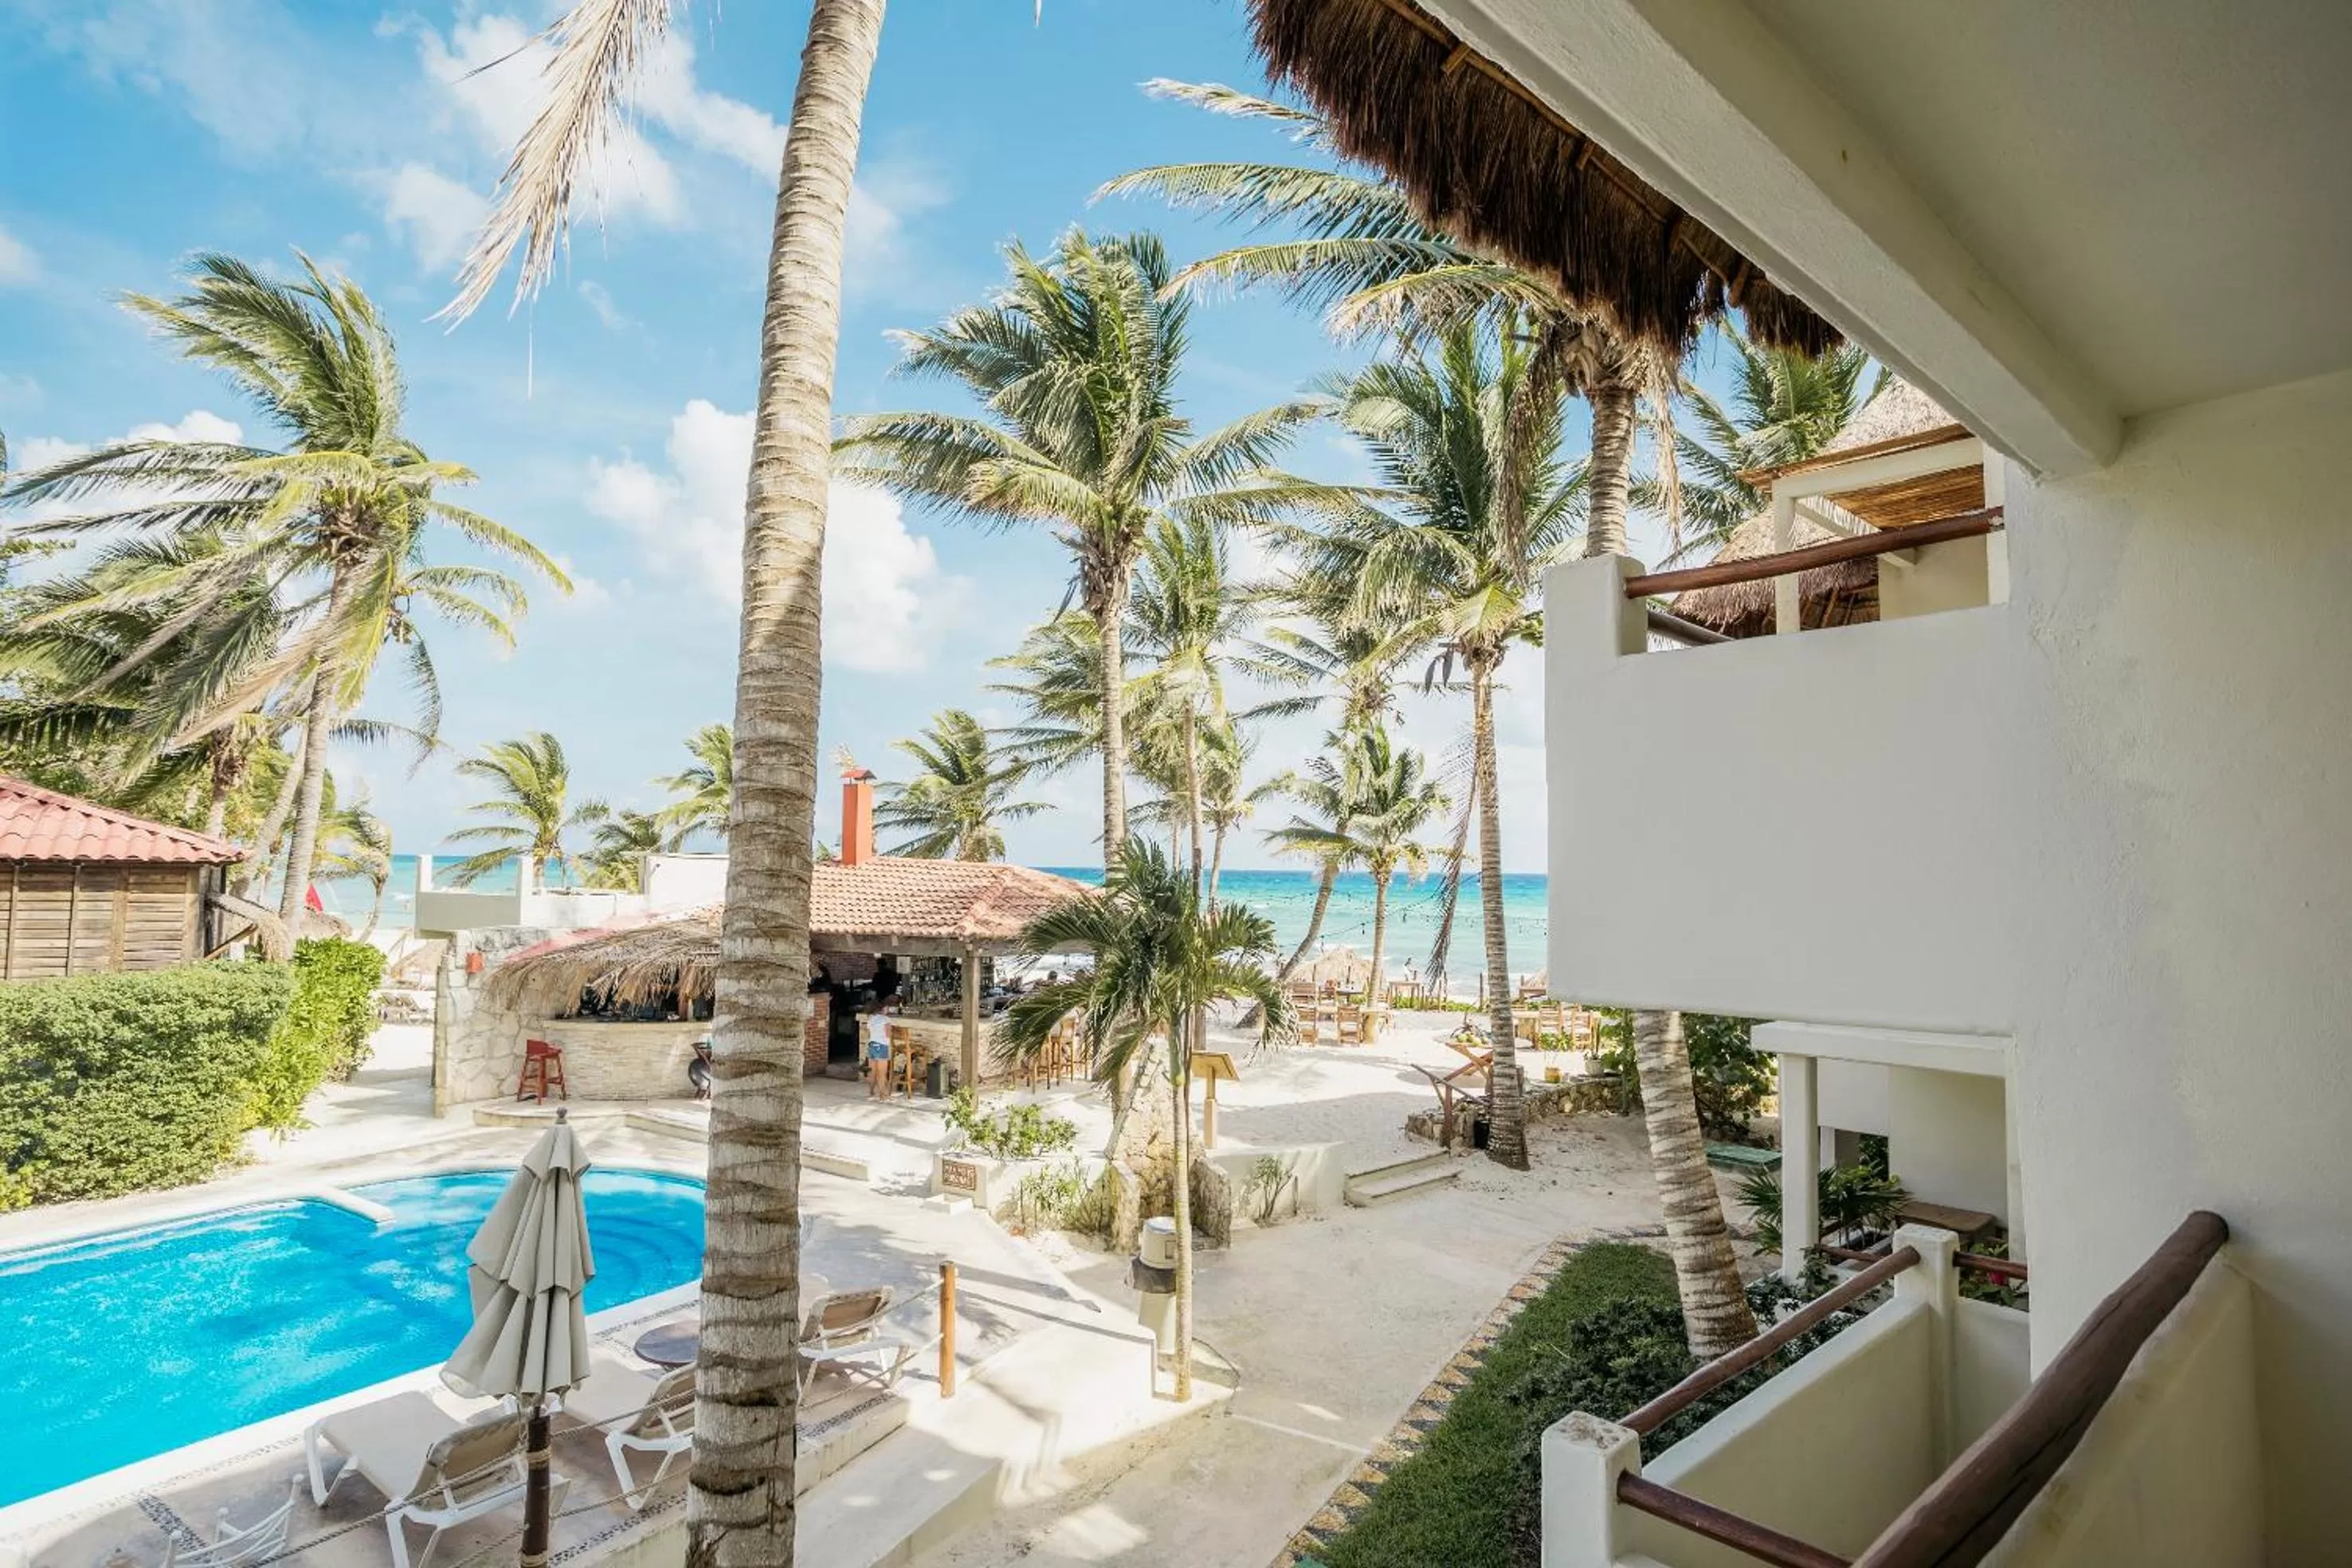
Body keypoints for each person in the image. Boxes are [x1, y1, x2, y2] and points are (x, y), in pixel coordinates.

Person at [865, 996, 896, 1100]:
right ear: (882, 1009)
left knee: (872, 1072)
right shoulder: (886, 1019)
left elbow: (869, 1034)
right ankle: (883, 1096)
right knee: (882, 1073)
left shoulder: (870, 1018)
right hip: (882, 1046)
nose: (888, 1010)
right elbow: (888, 1035)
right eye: (887, 1008)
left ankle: (871, 1093)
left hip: (871, 1046)